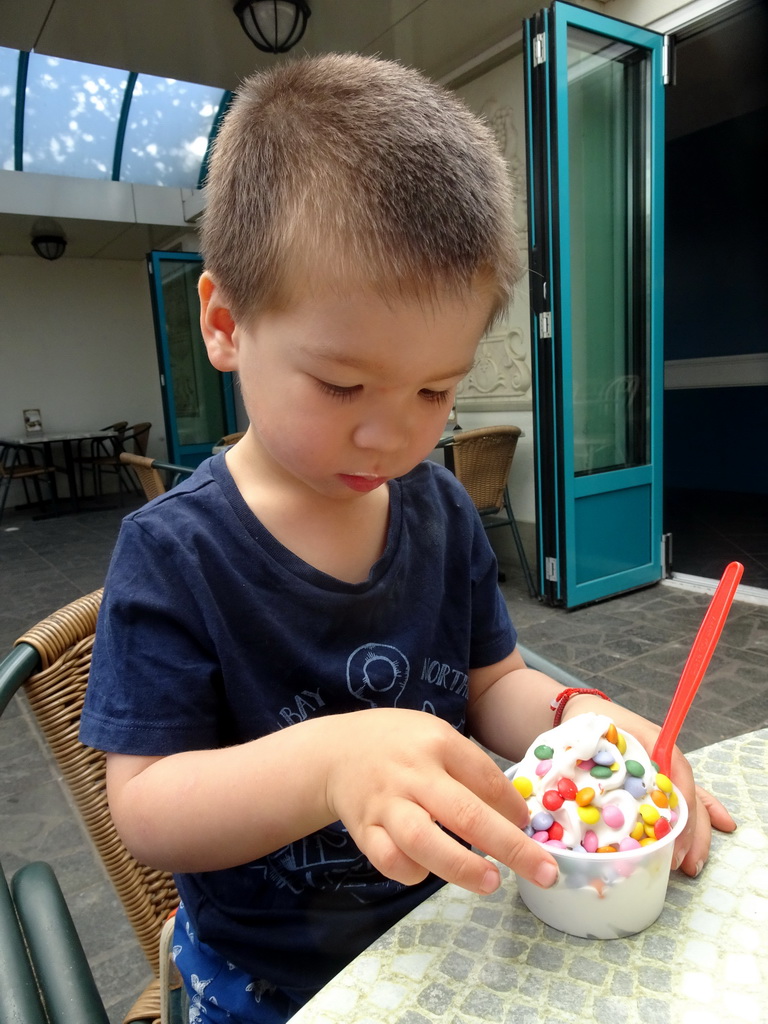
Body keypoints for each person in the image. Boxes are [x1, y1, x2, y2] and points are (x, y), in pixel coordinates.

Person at [80, 53, 735, 1023]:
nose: (393, 434)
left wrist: (578, 719)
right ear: (225, 323)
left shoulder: (438, 510)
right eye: (342, 386)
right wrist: (333, 764)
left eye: (436, 389)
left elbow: (492, 683)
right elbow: (147, 803)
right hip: (272, 984)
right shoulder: (176, 553)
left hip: (454, 924)